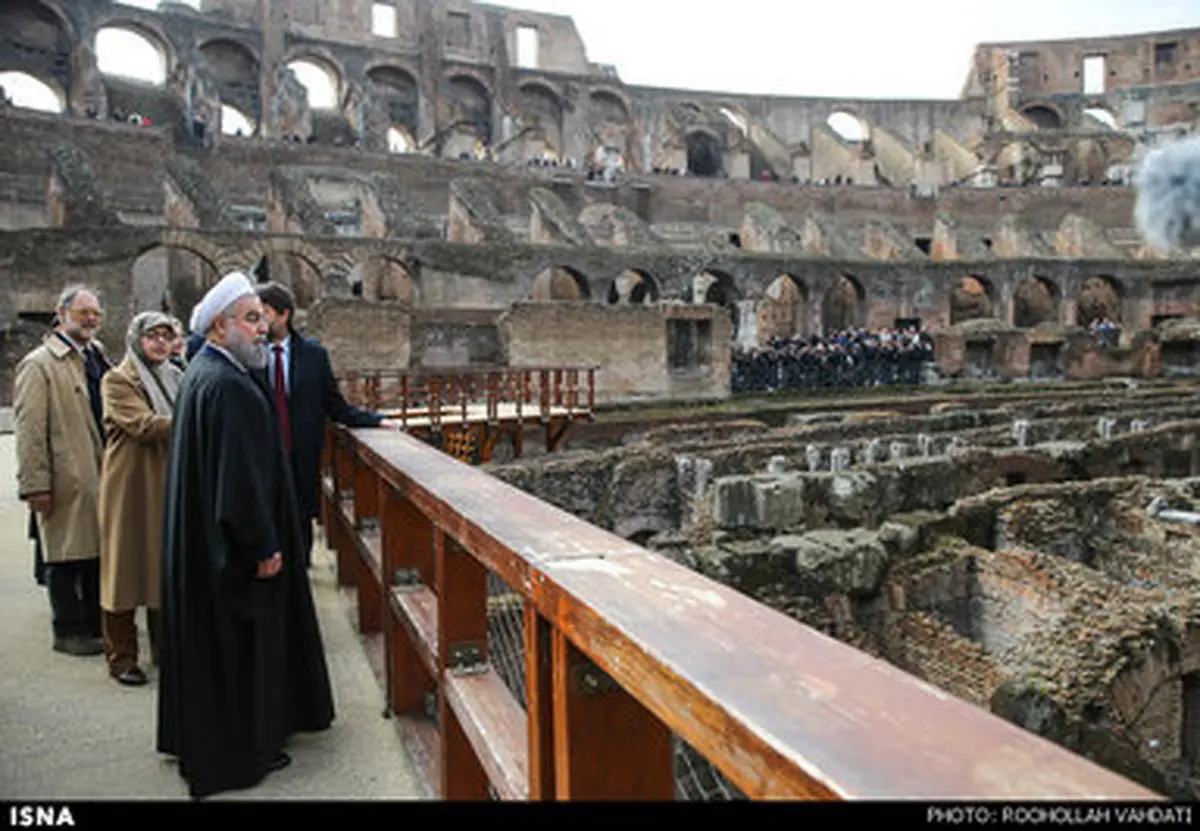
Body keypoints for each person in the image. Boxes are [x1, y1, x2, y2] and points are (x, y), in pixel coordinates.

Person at [156, 271, 334, 800]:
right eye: (251, 319)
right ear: (218, 328)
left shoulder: (205, 373)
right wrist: (262, 547)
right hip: (233, 553)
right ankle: (240, 750)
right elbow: (237, 482)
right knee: (238, 650)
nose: (263, 330)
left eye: (263, 318)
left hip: (205, 545)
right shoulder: (229, 385)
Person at [255, 281, 388, 567]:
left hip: (300, 453)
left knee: (300, 520)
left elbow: (334, 405)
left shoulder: (314, 356)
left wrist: (375, 421)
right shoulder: (250, 356)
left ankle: (300, 572)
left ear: (283, 315)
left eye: (264, 313)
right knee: (265, 517)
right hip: (262, 455)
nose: (260, 321)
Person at [14, 285, 110, 656]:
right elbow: (30, 430)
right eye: (83, 311)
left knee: (92, 553)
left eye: (96, 313)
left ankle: (90, 625)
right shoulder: (39, 364)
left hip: (95, 470)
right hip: (66, 474)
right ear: (62, 312)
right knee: (65, 557)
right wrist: (35, 484)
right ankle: (68, 630)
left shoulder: (94, 355)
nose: (90, 319)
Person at [97, 312, 183, 687]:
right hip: (131, 485)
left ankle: (167, 650)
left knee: (161, 567)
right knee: (125, 568)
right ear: (137, 340)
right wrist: (197, 417)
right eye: (152, 336)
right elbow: (142, 425)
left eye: (166, 336)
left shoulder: (176, 376)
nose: (160, 343)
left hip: (166, 480)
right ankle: (122, 658)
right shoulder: (118, 379)